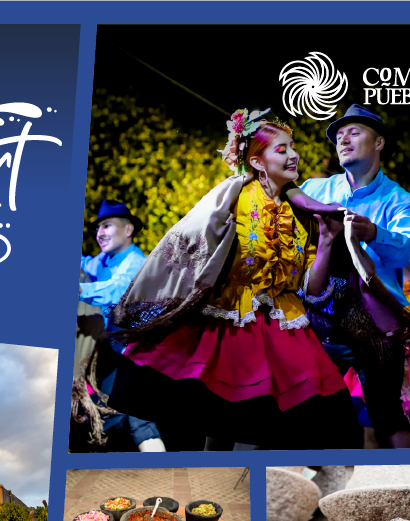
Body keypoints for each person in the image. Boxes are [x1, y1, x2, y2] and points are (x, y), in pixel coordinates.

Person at [110, 110, 362, 450]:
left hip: (285, 330)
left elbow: (311, 288)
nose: (293, 154)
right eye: (282, 149)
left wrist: (329, 241)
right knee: (224, 424)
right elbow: (194, 240)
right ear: (257, 162)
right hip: (231, 320)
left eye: (292, 147)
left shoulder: (304, 215)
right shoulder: (233, 199)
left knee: (296, 425)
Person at [298, 105, 410, 448]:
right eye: (339, 136)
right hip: (322, 316)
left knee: (387, 416)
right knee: (306, 409)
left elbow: (403, 252)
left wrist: (373, 232)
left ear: (379, 141)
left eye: (354, 132)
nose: (343, 140)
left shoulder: (401, 202)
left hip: (378, 323)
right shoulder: (313, 190)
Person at [72, 200, 165, 452]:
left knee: (140, 421)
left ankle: (164, 474)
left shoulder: (136, 262)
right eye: (98, 227)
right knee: (108, 415)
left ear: (128, 230)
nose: (99, 232)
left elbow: (119, 288)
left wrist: (81, 289)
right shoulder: (102, 261)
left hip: (142, 353)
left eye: (107, 225)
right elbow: (81, 263)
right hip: (115, 354)